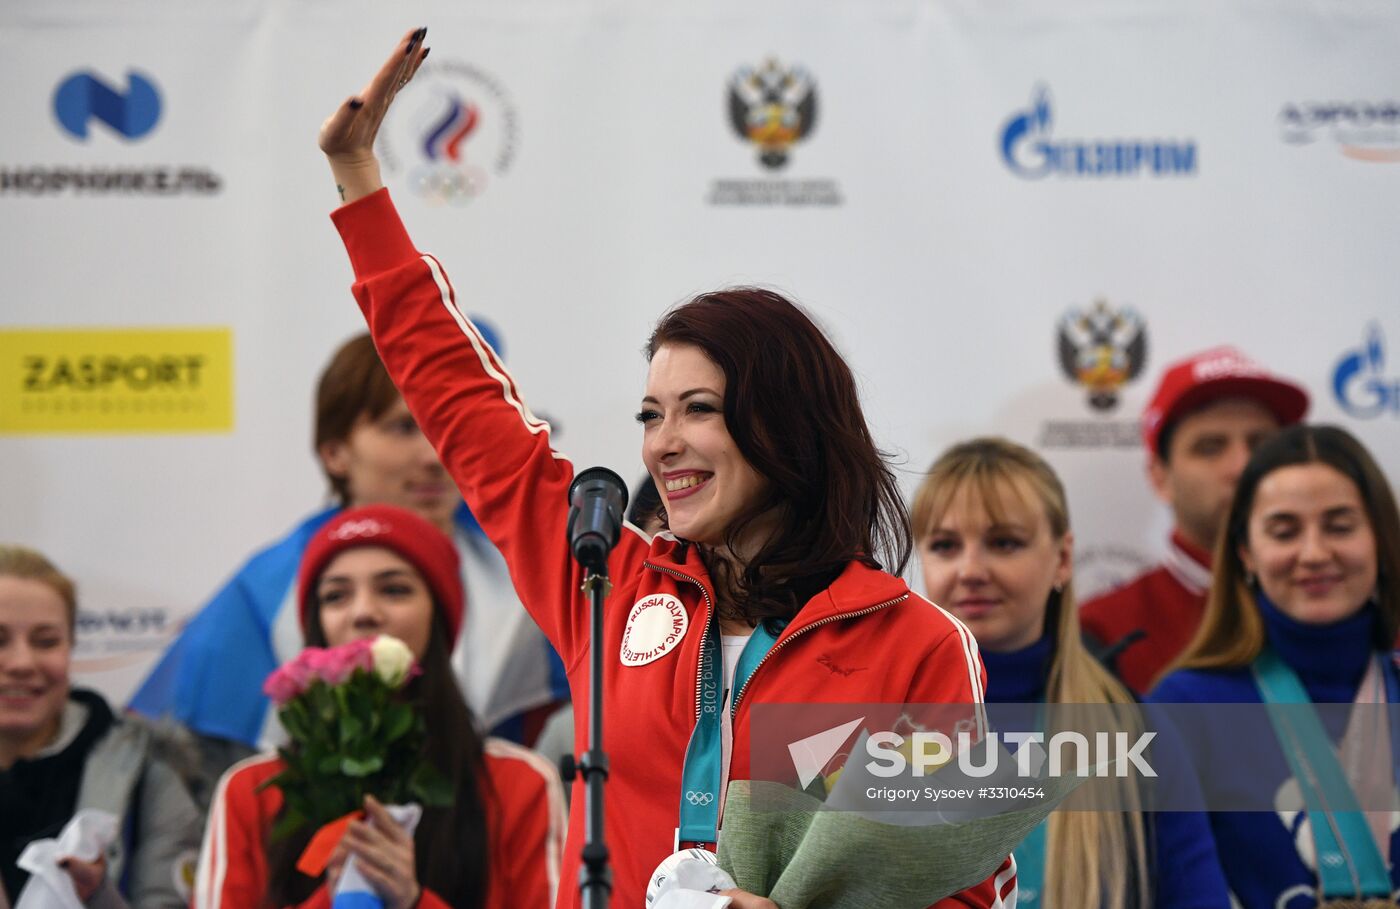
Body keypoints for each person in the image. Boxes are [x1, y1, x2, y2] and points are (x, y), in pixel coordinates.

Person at [315, 28, 1017, 909]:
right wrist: (359, 184)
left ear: (788, 426)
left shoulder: (913, 645)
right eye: (651, 415)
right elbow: (465, 410)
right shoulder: (603, 587)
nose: (661, 444)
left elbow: (964, 895)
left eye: (698, 410)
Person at [130, 332, 567, 789]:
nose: (435, 455)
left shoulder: (531, 570)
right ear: (335, 451)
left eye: (447, 425)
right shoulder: (264, 596)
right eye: (403, 427)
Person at [194, 505, 565, 909]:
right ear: (317, 626)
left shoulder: (519, 785)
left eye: (394, 590)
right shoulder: (250, 793)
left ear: (438, 618)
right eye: (336, 596)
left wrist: (413, 901)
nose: (363, 613)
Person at [913, 438, 1230, 908]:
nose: (971, 569)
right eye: (944, 545)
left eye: (1004, 543)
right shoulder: (877, 728)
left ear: (1062, 559)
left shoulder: (1136, 732)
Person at [1149, 424, 1400, 907]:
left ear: (1381, 541)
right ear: (1246, 553)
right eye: (1284, 531)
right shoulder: (1183, 710)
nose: (1314, 554)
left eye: (1340, 526)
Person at [1080, 346, 1309, 694]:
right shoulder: (1103, 628)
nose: (1242, 467)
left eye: (1262, 444)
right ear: (1160, 478)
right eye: (1210, 447)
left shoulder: (1362, 612)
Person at [1, 545, 202, 908]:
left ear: (71, 646)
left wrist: (98, 897)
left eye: (46, 642)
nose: (21, 662)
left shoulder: (150, 771)